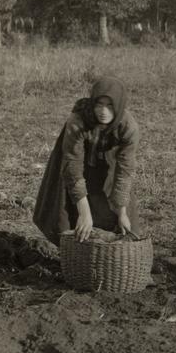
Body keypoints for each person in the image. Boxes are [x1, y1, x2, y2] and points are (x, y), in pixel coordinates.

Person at [33, 75, 140, 244]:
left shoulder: (128, 127)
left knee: (123, 223)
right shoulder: (78, 120)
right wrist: (84, 214)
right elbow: (73, 167)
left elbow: (124, 171)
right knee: (66, 214)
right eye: (99, 104)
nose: (103, 111)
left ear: (118, 105)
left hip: (108, 162)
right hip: (76, 160)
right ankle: (73, 250)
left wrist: (122, 212)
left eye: (110, 105)